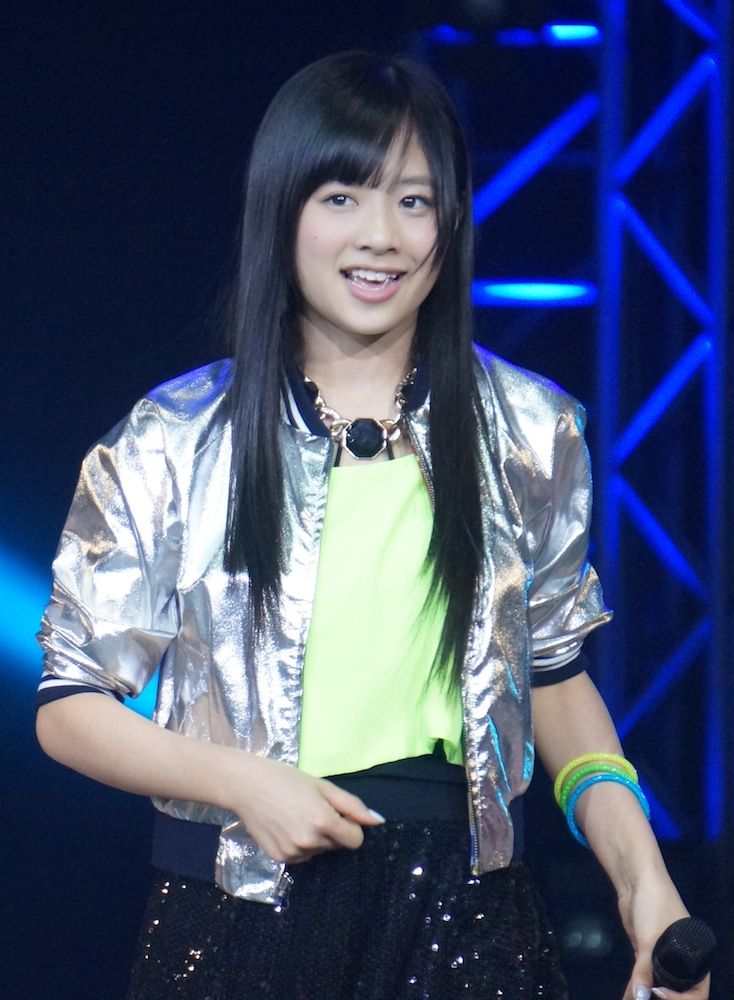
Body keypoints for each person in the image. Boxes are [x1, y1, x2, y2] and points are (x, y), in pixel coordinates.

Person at [35, 51, 707, 1000]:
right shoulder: (175, 438)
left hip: (468, 919)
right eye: (343, 197)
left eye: (415, 201)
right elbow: (71, 705)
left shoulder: (529, 429)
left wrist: (646, 884)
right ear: (283, 212)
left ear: (451, 223)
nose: (381, 236)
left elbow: (554, 678)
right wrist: (242, 783)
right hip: (240, 914)